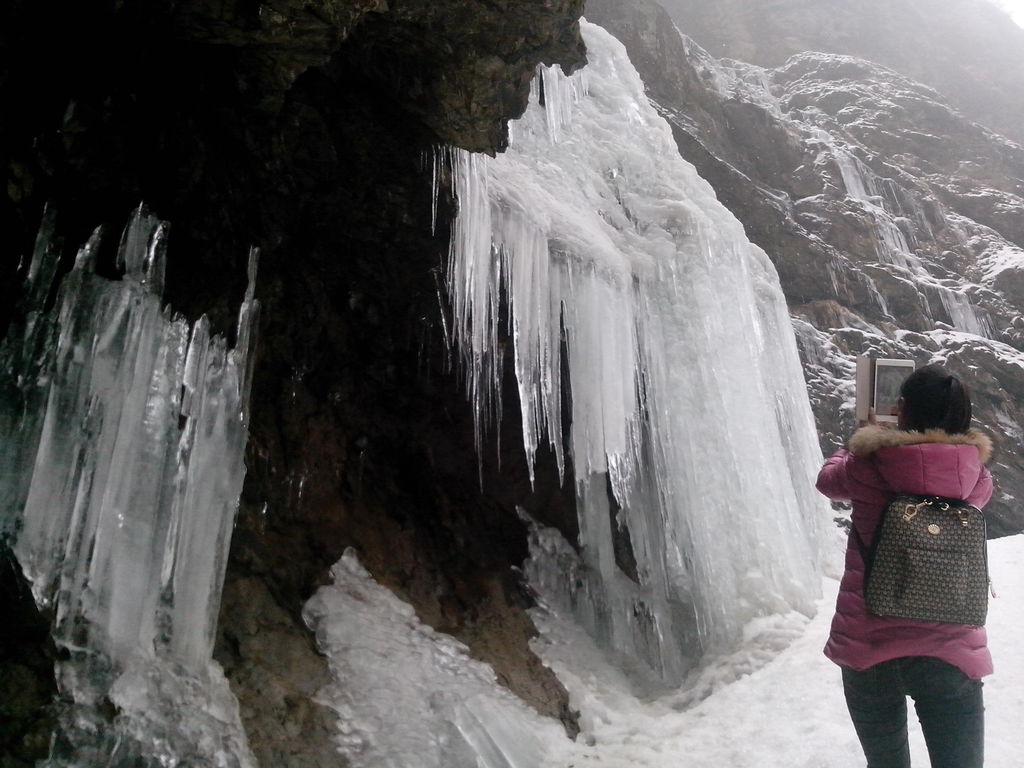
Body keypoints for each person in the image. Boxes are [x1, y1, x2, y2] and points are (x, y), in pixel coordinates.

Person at [816, 363, 994, 768]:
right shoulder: (974, 477)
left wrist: (859, 438)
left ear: (901, 409)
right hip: (950, 648)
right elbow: (961, 485)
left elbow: (828, 482)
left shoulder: (867, 465)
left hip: (869, 645)